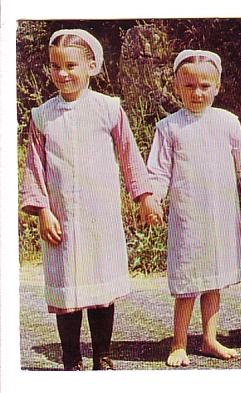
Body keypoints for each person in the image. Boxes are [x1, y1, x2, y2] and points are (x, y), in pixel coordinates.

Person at [20, 29, 162, 370]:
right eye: (55, 66)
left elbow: (129, 154)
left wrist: (144, 195)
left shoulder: (108, 108)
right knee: (67, 286)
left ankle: (102, 354)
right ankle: (71, 357)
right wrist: (42, 212)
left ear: (91, 66)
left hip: (100, 214)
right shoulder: (42, 116)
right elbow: (35, 169)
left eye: (71, 65)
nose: (62, 73)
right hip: (62, 216)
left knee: (100, 283)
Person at [146, 49, 241, 365]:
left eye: (204, 86)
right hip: (188, 216)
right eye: (189, 86)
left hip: (220, 214)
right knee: (187, 280)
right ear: (176, 86)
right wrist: (153, 197)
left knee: (213, 278)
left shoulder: (227, 122)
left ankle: (210, 339)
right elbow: (158, 170)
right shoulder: (168, 127)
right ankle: (179, 343)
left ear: (217, 86)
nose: (197, 93)